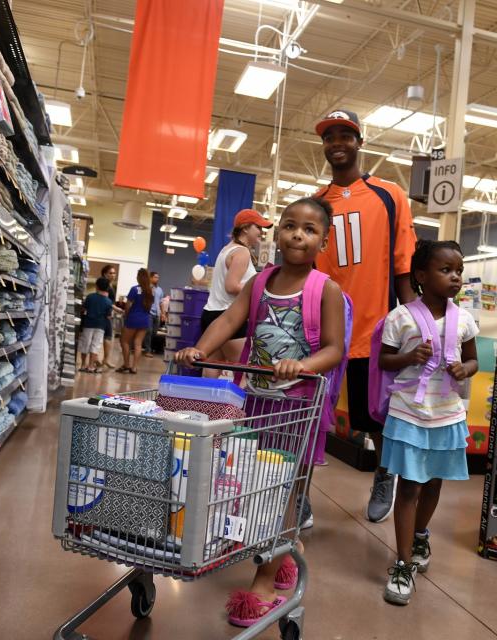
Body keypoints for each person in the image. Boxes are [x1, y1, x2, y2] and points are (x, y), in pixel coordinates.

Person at [176, 197, 345, 628]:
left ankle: (265, 582)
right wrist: (202, 348)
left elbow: (333, 348)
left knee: (283, 488)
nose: (297, 235)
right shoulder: (259, 282)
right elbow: (230, 320)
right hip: (255, 400)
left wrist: (302, 365)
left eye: (309, 230)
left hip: (300, 405)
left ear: (322, 241)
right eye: (290, 226)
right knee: (254, 482)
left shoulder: (324, 289)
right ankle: (286, 549)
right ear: (275, 233)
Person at [314, 109, 417, 523]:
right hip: (321, 329)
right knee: (310, 416)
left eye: (345, 135)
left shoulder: (389, 194)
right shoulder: (317, 203)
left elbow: (403, 260)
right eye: (329, 137)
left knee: (373, 415)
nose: (337, 142)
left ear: (359, 142)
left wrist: (414, 319)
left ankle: (384, 475)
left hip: (372, 326)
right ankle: (296, 492)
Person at [377, 239, 478, 605]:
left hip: (447, 413)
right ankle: (403, 564)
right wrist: (408, 356)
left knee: (434, 482)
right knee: (409, 487)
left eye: (459, 271)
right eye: (446, 270)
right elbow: (384, 362)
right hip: (408, 413)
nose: (455, 278)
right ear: (421, 275)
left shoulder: (464, 319)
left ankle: (421, 534)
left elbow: (473, 361)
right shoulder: (401, 317)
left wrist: (463, 369)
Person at [200, 208, 273, 378]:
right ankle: (241, 405)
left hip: (211, 313)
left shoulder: (226, 249)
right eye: (258, 228)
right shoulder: (242, 252)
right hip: (229, 316)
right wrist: (259, 288)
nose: (261, 233)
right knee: (246, 372)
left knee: (211, 369)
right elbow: (232, 286)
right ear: (245, 228)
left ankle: (203, 403)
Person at [117, 268, 154, 374]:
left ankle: (126, 365)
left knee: (124, 341)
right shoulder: (151, 290)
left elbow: (128, 305)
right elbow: (150, 305)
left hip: (133, 318)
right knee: (138, 344)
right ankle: (135, 367)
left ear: (139, 277)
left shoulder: (134, 289)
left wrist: (126, 314)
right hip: (145, 319)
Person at [77, 277, 114, 373]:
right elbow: (108, 316)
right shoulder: (108, 301)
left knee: (85, 344)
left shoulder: (90, 297)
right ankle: (91, 366)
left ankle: (83, 365)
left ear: (96, 286)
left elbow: (83, 309)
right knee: (95, 346)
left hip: (88, 324)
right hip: (100, 326)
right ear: (107, 288)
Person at [141, 271, 165, 357]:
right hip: (148, 312)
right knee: (149, 331)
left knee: (154, 332)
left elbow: (161, 302)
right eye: (155, 277)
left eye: (158, 277)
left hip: (157, 314)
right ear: (150, 278)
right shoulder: (146, 288)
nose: (157, 279)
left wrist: (163, 313)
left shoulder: (160, 289)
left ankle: (145, 346)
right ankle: (147, 350)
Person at [100, 264, 118, 368]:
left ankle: (104, 359)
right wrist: (112, 310)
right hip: (105, 314)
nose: (113, 275)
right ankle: (104, 360)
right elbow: (106, 301)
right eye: (110, 273)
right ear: (105, 274)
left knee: (107, 337)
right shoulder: (105, 285)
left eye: (114, 273)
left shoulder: (110, 285)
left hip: (109, 313)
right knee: (106, 337)